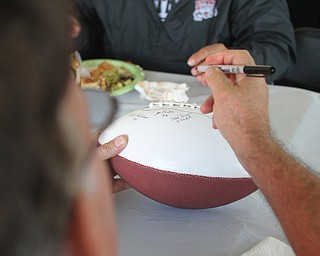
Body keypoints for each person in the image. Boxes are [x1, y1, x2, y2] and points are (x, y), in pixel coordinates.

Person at [1, 1, 319, 256]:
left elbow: (275, 42)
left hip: (212, 99)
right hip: (131, 100)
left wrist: (248, 61)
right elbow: (83, 32)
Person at [72, 0, 296, 82]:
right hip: (119, 103)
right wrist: (71, 33)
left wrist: (236, 62)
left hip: (211, 107)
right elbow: (86, 33)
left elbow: (276, 45)